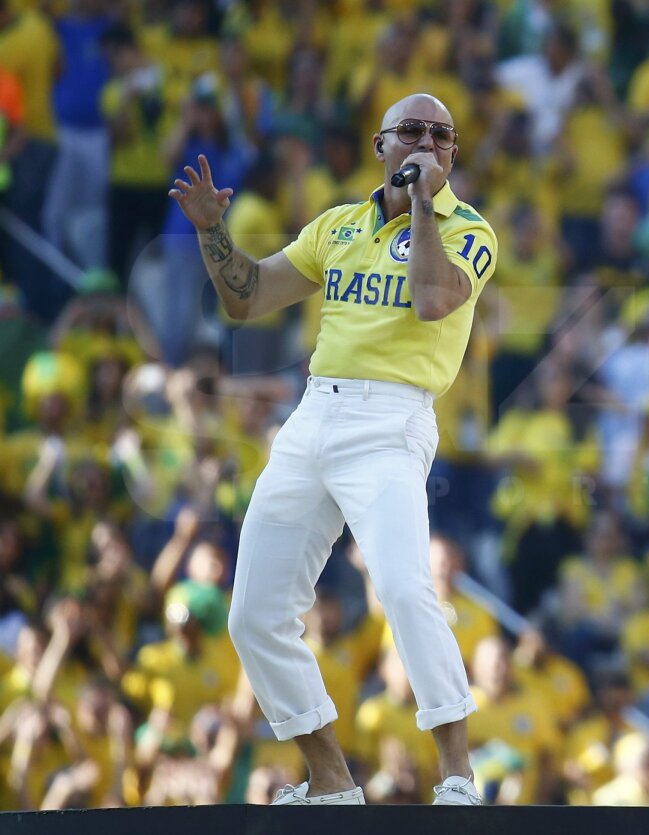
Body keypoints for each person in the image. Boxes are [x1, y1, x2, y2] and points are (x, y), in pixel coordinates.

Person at [167, 92, 498, 806]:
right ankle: (330, 778)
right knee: (252, 613)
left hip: (393, 418)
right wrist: (212, 232)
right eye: (410, 130)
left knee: (407, 589)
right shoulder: (337, 225)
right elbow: (247, 299)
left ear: (453, 156)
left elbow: (436, 300)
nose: (426, 143)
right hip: (313, 413)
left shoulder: (469, 228)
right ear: (379, 145)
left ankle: (458, 775)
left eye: (442, 135)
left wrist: (423, 208)